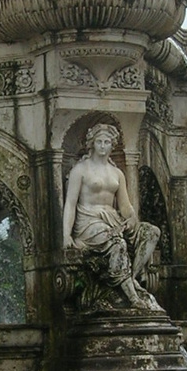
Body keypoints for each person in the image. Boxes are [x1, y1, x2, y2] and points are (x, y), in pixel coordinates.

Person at [62, 122, 162, 310]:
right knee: (118, 243)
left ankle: (131, 278)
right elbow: (70, 204)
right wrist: (66, 234)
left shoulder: (117, 173)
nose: (102, 145)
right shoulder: (80, 170)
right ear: (91, 143)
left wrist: (131, 218)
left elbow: (124, 205)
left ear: (112, 145)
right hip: (89, 222)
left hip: (113, 220)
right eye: (99, 141)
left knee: (152, 232)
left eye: (107, 142)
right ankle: (133, 297)